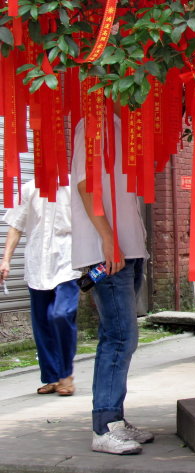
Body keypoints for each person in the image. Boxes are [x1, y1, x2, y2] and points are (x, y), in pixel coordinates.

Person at [71, 105, 152, 455]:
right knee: (118, 338)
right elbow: (86, 185)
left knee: (123, 338)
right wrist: (107, 238)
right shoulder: (93, 124)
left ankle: (115, 419)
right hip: (108, 251)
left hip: (129, 249)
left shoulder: (127, 125)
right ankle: (104, 426)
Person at [1, 178, 80, 396]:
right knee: (42, 323)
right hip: (37, 264)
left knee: (61, 315)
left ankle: (66, 374)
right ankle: (51, 377)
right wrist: (6, 259)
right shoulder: (29, 188)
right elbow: (16, 226)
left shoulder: (74, 185)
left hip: (67, 263)